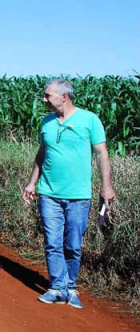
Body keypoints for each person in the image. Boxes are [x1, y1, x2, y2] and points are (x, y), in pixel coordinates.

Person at [22, 79, 115, 309]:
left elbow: (102, 153)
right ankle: (56, 287)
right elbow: (41, 154)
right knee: (52, 242)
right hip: (49, 193)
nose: (44, 100)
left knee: (73, 244)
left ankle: (70, 287)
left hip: (79, 195)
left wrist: (107, 186)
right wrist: (32, 183)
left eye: (48, 95)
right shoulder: (46, 122)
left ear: (64, 97)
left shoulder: (89, 120)